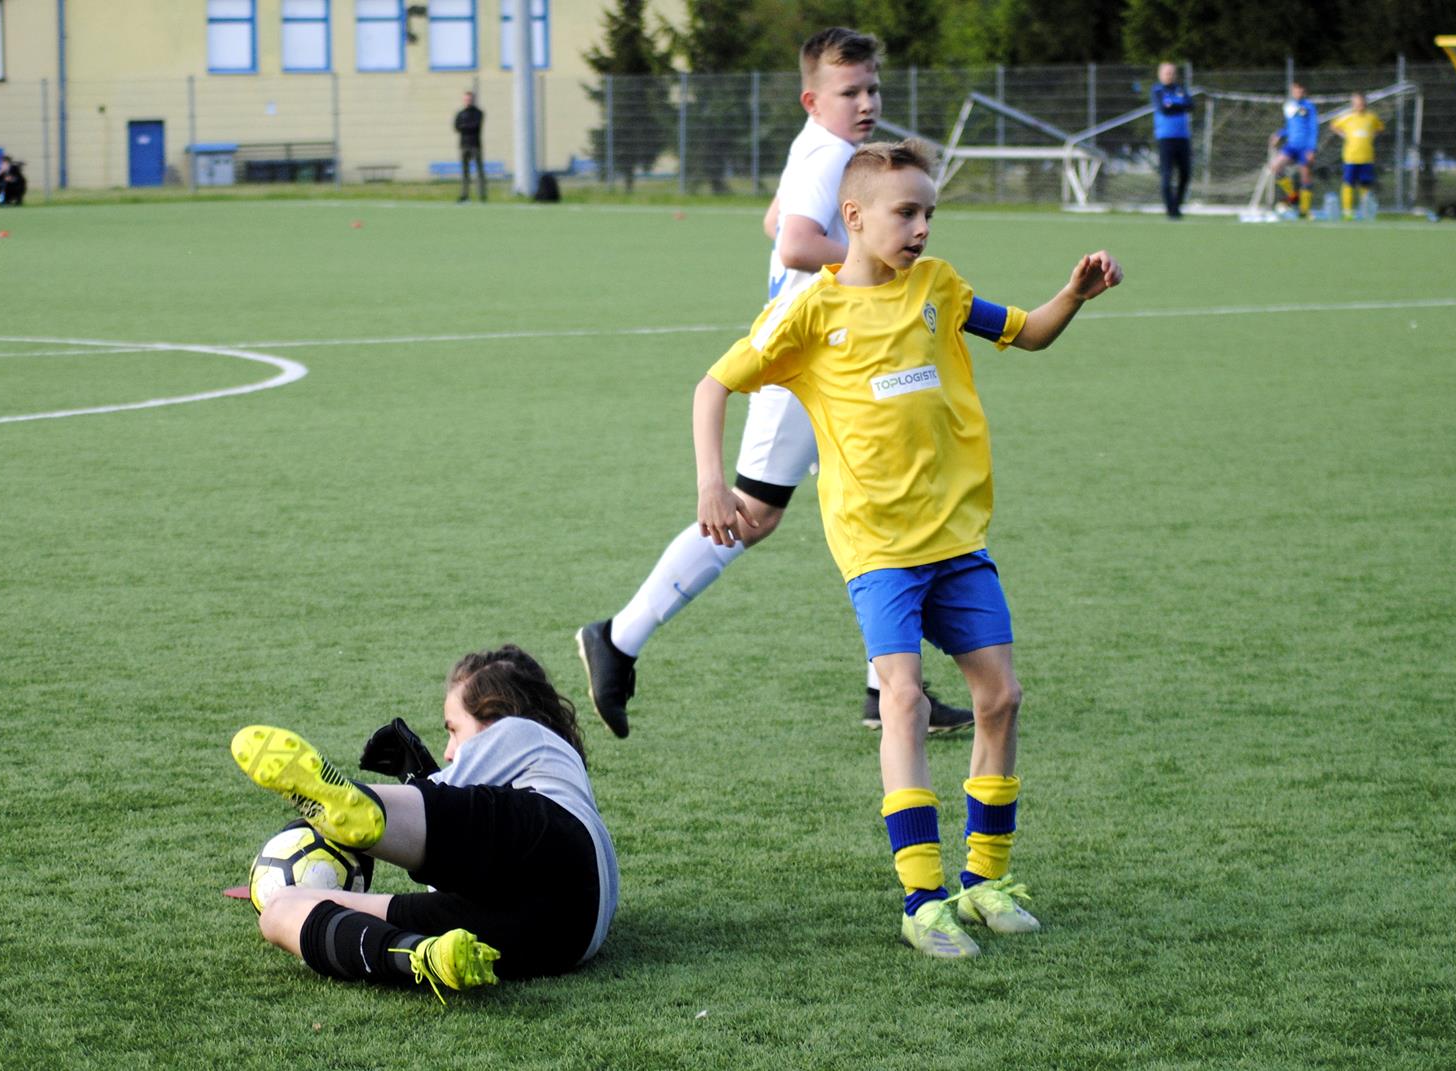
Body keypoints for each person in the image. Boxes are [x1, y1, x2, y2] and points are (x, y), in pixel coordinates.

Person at [692, 139, 1120, 958]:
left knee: (1000, 697)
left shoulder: (941, 290)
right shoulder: (809, 311)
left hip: (957, 539)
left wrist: (1075, 293)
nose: (922, 226)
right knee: (903, 698)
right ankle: (922, 897)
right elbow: (714, 384)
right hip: (879, 546)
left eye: (929, 212)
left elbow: (1028, 334)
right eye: (906, 212)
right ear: (854, 217)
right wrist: (714, 482)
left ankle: (983, 880)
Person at [577, 27, 973, 740]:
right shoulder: (831, 152)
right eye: (849, 92)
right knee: (753, 513)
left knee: (875, 496)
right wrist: (880, 263)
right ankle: (617, 637)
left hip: (835, 350)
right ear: (812, 98)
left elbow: (775, 221)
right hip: (809, 357)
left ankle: (886, 690)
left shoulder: (814, 147)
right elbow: (793, 240)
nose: (866, 103)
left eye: (872, 88)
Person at [230, 645, 619, 999]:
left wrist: (420, 782)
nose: (451, 751)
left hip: (552, 849)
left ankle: (370, 804)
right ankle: (421, 956)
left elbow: (458, 817)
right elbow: (456, 861)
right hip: (564, 939)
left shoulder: (524, 733)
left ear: (498, 718)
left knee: (385, 812)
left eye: (454, 730)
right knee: (280, 912)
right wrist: (419, 781)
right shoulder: (563, 776)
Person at [1330, 92, 1383, 220]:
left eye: (1362, 102)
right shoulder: (1348, 117)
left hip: (1367, 157)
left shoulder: (1371, 117)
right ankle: (1347, 211)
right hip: (1351, 157)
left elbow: (1380, 128)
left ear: (1365, 103)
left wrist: (1371, 136)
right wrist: (1344, 135)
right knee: (1348, 183)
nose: (1360, 105)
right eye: (1357, 103)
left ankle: (1365, 211)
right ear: (1353, 104)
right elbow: (1333, 126)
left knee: (1365, 184)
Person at [1151, 62, 1193, 219]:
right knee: (1167, 175)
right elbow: (1163, 108)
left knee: (1185, 174)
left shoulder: (1180, 89)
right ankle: (1170, 210)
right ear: (1160, 74)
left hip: (1183, 138)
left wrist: (1174, 103)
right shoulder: (1157, 90)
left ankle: (1177, 205)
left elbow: (1190, 104)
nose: (1170, 75)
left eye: (1172, 73)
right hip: (1165, 138)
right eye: (1167, 73)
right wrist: (1179, 102)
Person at [1270, 83, 1319, 218]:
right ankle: (1293, 195)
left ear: (1304, 92)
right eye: (1296, 91)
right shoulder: (1289, 106)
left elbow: (1314, 128)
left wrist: (1312, 149)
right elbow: (1290, 126)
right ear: (1292, 91)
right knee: (1275, 166)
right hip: (1291, 146)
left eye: (1301, 91)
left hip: (1305, 147)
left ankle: (1304, 211)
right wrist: (1279, 134)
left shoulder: (1309, 106)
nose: (1299, 93)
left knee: (1305, 176)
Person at [453, 91, 486, 203]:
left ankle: (482, 196)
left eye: (470, 99)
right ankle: (464, 195)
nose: (468, 101)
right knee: (465, 172)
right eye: (466, 99)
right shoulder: (460, 113)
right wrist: (466, 127)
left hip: (475, 145)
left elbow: (475, 126)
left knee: (479, 171)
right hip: (464, 145)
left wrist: (465, 127)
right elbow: (457, 127)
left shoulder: (478, 113)